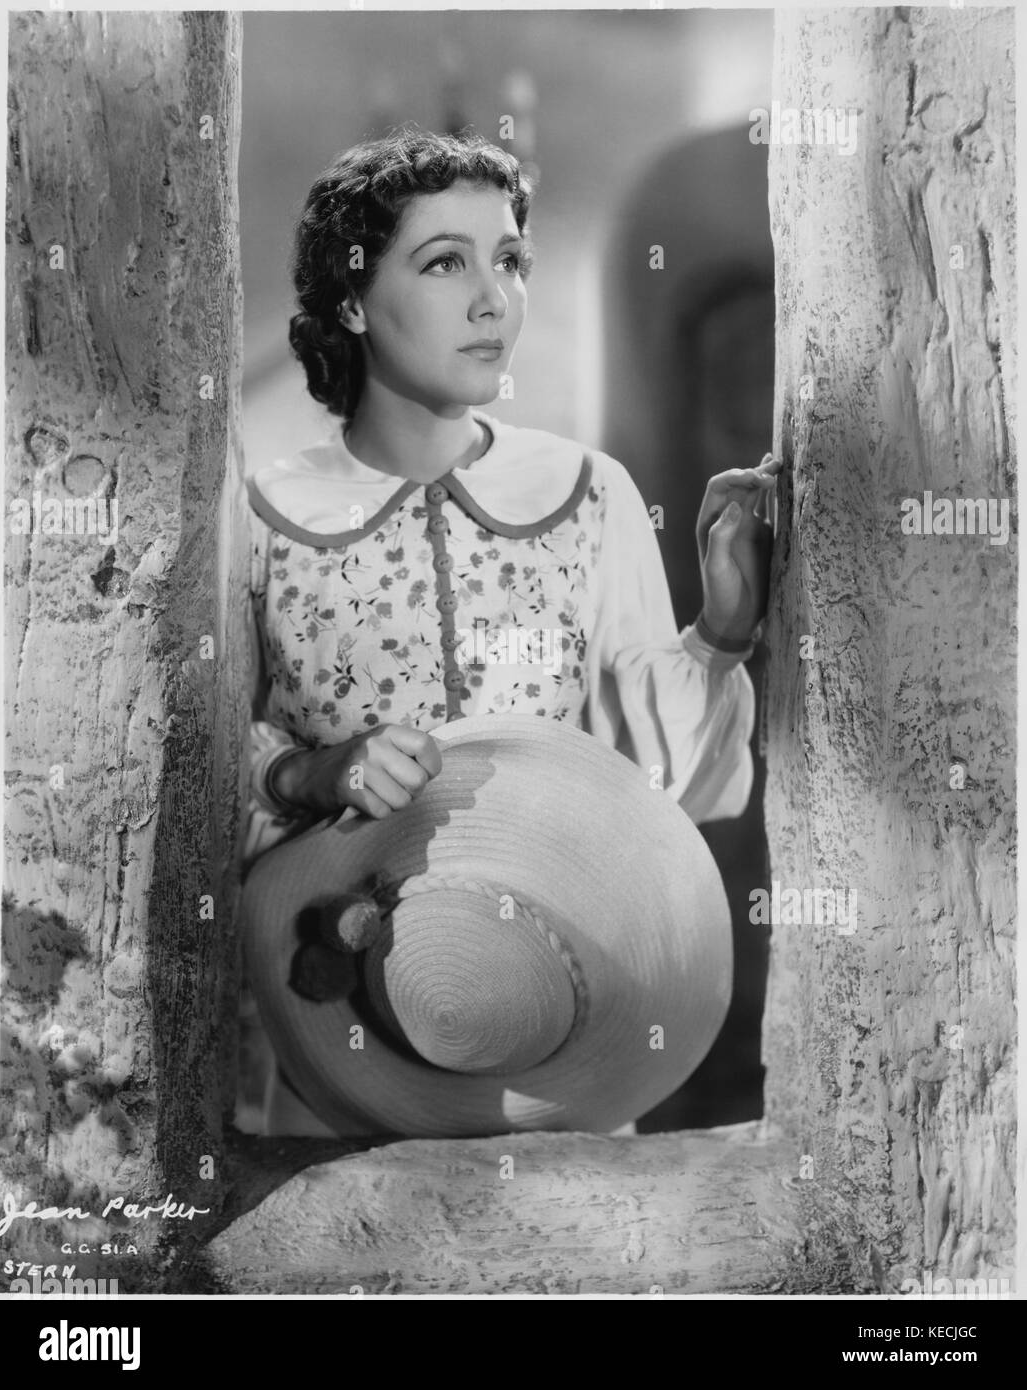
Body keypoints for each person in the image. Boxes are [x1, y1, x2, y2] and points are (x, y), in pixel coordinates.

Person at [239, 124, 779, 1136]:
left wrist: (721, 632)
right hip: (345, 1027)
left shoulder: (586, 495)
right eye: (446, 262)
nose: (495, 300)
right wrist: (312, 774)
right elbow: (197, 758)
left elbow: (651, 785)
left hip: (560, 1019)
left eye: (512, 261)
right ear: (352, 299)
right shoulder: (264, 513)